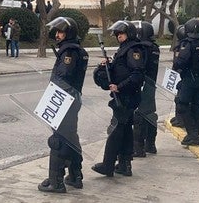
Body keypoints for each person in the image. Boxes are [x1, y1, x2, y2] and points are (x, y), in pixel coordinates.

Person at [37, 17, 88, 193]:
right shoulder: (77, 50)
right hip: (72, 100)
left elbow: (63, 76)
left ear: (68, 34)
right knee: (71, 137)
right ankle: (75, 175)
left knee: (58, 140)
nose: (57, 35)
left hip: (64, 99)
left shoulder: (69, 52)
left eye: (60, 32)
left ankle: (56, 181)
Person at [92, 20, 145, 177]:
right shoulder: (125, 48)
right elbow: (122, 68)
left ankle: (108, 164)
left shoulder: (134, 49)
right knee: (126, 130)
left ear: (129, 34)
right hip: (125, 95)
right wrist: (109, 64)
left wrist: (119, 86)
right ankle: (124, 164)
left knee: (115, 130)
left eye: (120, 34)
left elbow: (137, 75)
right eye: (117, 34)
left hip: (127, 96)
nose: (118, 37)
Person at [172, 18, 199, 146]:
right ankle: (196, 133)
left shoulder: (188, 44)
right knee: (197, 107)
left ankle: (193, 134)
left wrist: (177, 65)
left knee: (182, 105)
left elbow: (180, 62)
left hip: (190, 79)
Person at [131, 21, 160, 157]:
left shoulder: (141, 48)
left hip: (141, 84)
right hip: (151, 84)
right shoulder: (154, 47)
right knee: (150, 114)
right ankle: (151, 144)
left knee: (139, 116)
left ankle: (138, 147)